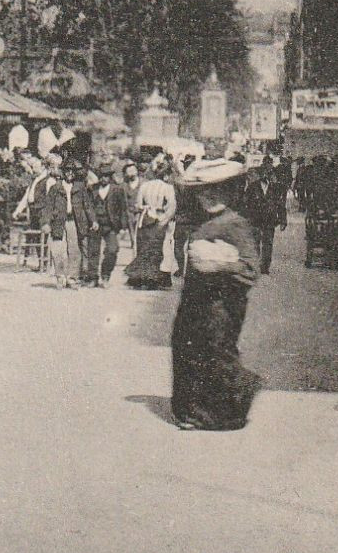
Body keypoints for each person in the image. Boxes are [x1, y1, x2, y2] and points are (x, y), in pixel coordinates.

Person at [171, 158, 263, 431]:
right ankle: (193, 410)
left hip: (222, 303)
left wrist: (222, 262)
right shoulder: (206, 220)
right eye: (203, 190)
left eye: (217, 189)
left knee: (216, 352)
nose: (209, 196)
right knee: (187, 347)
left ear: (231, 191)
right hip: (196, 299)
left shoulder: (234, 223)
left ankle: (229, 406)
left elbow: (250, 269)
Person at [126, 156, 178, 289]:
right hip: (160, 220)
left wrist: (145, 208)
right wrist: (165, 219)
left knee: (144, 247)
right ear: (165, 175)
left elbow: (138, 205)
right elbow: (171, 207)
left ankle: (142, 278)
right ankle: (157, 278)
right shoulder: (168, 188)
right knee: (162, 249)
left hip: (145, 219)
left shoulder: (144, 186)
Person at [242, 157, 287, 275]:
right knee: (255, 242)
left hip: (270, 219)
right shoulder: (253, 187)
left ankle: (265, 267)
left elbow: (281, 204)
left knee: (268, 243)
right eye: (263, 173)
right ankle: (255, 265)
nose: (266, 175)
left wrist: (283, 220)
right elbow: (245, 202)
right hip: (255, 219)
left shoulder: (276, 188)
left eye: (268, 173)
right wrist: (245, 217)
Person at [39, 164, 76, 289]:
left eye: (72, 171)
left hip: (73, 221)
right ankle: (60, 277)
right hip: (58, 221)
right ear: (63, 172)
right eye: (67, 170)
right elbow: (48, 206)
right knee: (57, 250)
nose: (70, 173)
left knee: (73, 250)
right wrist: (46, 222)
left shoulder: (79, 188)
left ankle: (71, 278)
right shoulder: (55, 188)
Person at [95, 164, 129, 286]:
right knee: (93, 251)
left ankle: (105, 274)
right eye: (102, 176)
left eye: (106, 176)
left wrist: (124, 227)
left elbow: (123, 209)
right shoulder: (93, 189)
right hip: (95, 225)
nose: (104, 179)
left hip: (111, 225)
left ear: (110, 177)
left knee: (112, 250)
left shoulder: (117, 190)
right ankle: (92, 277)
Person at [71, 161, 102, 287]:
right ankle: (78, 274)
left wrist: (93, 220)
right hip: (73, 219)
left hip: (82, 220)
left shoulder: (84, 186)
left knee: (84, 247)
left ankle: (85, 274)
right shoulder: (71, 185)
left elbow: (88, 205)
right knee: (78, 247)